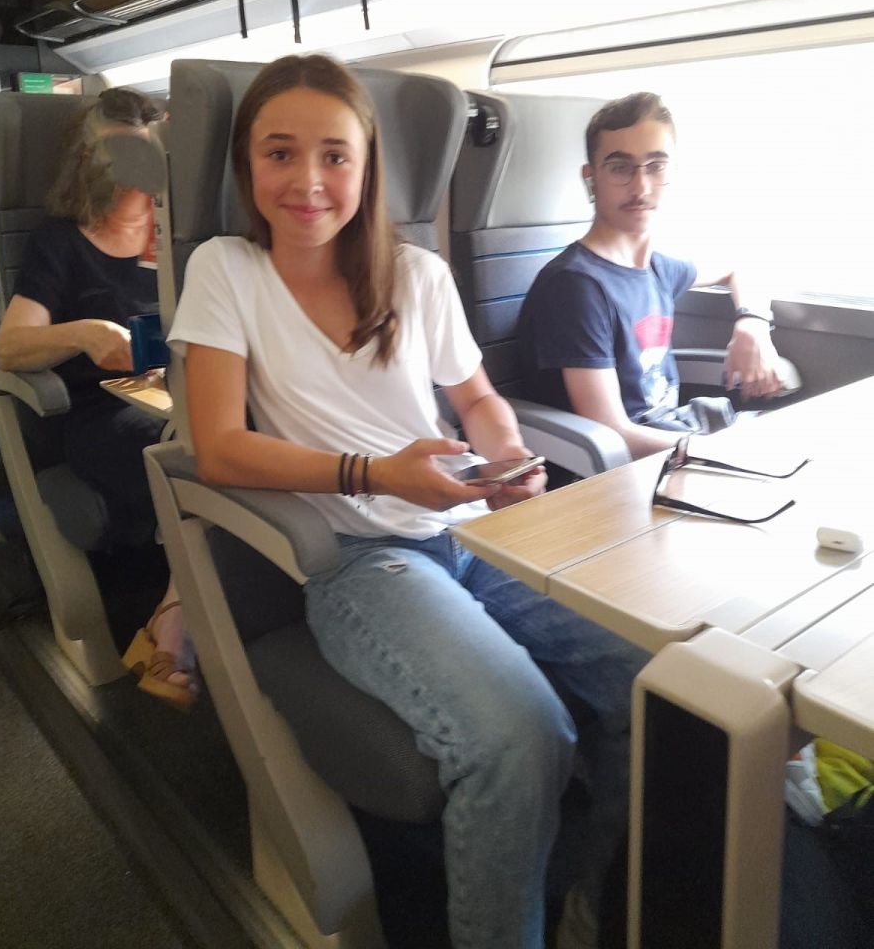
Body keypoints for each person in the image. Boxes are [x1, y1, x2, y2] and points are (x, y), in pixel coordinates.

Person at [167, 54, 649, 949]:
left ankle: (594, 899)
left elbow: (478, 398)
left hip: (468, 529)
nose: (308, 181)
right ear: (245, 165)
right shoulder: (226, 270)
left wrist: (506, 457)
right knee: (520, 737)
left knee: (653, 678)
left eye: (335, 156)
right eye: (279, 153)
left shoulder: (417, 274)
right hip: (358, 559)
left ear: (368, 168)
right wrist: (378, 474)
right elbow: (220, 446)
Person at [0, 87, 196, 709]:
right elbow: (10, 347)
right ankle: (179, 621)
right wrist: (83, 333)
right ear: (87, 161)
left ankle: (177, 611)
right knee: (187, 453)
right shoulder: (62, 241)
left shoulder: (181, 234)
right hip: (104, 413)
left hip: (187, 396)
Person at [518, 92, 784, 461]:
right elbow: (612, 434)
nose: (641, 187)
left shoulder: (656, 267)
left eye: (655, 166)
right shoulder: (576, 286)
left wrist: (751, 325)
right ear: (591, 179)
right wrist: (718, 452)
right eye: (619, 167)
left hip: (676, 434)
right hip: (630, 468)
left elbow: (741, 266)